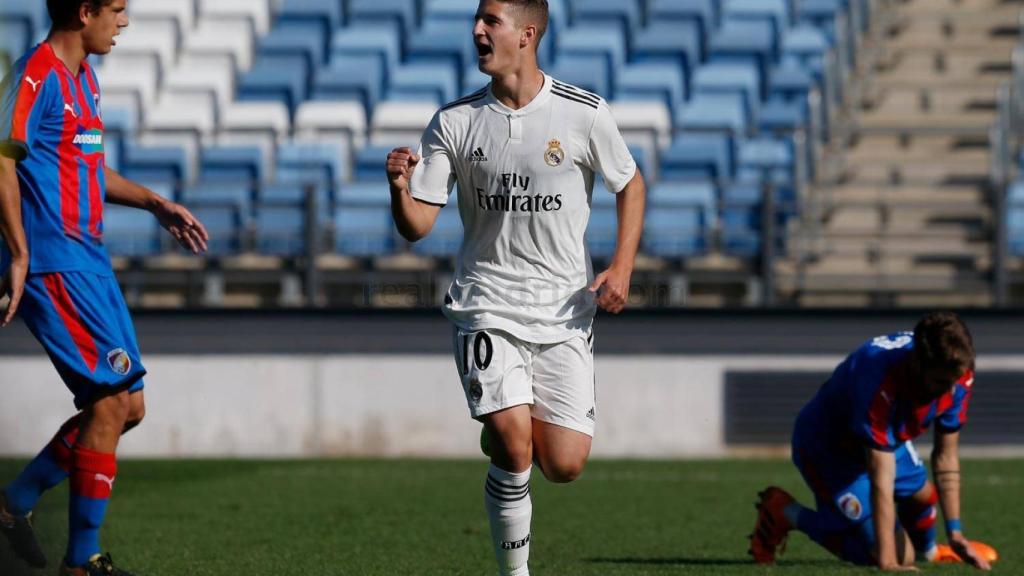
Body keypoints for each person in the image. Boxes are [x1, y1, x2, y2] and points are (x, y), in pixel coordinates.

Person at [386, 1, 645, 573]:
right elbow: (417, 226)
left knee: (565, 463)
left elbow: (630, 183)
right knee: (513, 441)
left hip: (563, 310)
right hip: (487, 305)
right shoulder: (454, 121)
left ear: (526, 34)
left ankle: (506, 435)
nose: (477, 30)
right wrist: (400, 189)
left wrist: (622, 266)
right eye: (477, 19)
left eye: (491, 21)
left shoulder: (583, 113)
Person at [0, 1, 208, 574]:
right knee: (109, 401)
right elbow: (0, 158)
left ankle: (14, 503)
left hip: (88, 259)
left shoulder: (84, 79)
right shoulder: (33, 75)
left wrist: (153, 201)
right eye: (116, 9)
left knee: (128, 406)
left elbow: (85, 167)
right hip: (52, 261)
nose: (124, 21)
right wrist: (18, 252)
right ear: (84, 10)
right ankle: (81, 560)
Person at [750, 312, 995, 571]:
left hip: (887, 439)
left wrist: (956, 535)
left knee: (923, 497)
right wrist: (887, 561)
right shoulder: (877, 378)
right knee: (898, 556)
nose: (950, 391)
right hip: (829, 451)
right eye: (941, 382)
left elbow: (946, 455)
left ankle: (930, 551)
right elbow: (881, 475)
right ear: (916, 364)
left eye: (954, 382)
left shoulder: (957, 372)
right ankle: (786, 512)